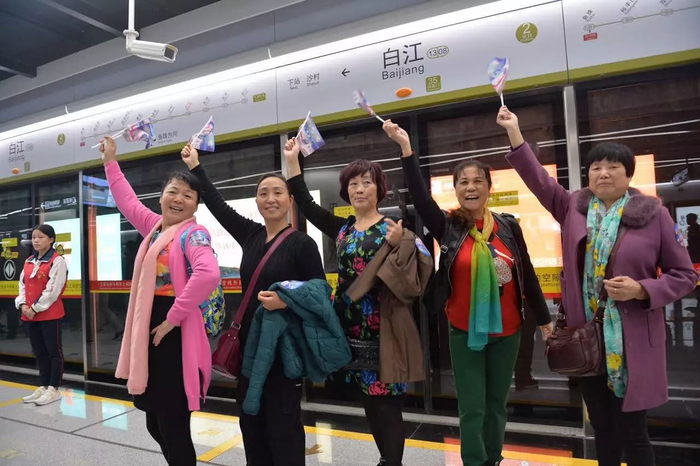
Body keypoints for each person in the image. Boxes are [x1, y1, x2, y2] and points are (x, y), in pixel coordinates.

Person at [497, 106, 698, 466]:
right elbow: (538, 180)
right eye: (596, 167)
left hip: (632, 341)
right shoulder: (572, 207)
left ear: (628, 174)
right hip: (586, 338)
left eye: (613, 167)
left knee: (633, 433)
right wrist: (514, 132)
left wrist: (642, 289)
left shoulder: (653, 215)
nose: (603, 173)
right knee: (602, 429)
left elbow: (685, 275)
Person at [382, 120, 553, 466]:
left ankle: (494, 458)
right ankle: (475, 461)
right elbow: (420, 198)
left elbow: (527, 275)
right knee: (472, 407)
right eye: (463, 182)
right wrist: (406, 150)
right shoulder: (449, 227)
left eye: (477, 181)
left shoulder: (508, 227)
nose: (471, 187)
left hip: (508, 332)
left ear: (489, 187)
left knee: (496, 405)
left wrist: (545, 320)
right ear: (456, 189)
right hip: (464, 331)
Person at [181, 143, 325, 466]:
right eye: (263, 193)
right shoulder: (251, 235)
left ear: (290, 201)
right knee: (252, 428)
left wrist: (286, 300)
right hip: (249, 352)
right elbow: (217, 205)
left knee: (284, 431)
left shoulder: (302, 244)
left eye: (278, 192)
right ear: (257, 202)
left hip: (285, 354)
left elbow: (320, 293)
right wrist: (195, 166)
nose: (270, 198)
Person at [284, 137, 419, 466]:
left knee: (387, 403)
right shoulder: (343, 228)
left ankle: (393, 463)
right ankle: (386, 460)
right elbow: (305, 203)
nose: (359, 189)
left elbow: (412, 278)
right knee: (369, 401)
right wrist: (292, 160)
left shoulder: (392, 228)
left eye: (367, 182)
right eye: (353, 183)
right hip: (351, 329)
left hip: (385, 329)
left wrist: (401, 244)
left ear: (379, 189)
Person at [101, 136, 221, 466]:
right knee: (154, 421)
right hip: (152, 333)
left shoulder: (193, 234)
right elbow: (126, 200)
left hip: (174, 336)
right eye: (173, 191)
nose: (179, 199)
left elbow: (208, 273)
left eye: (188, 195)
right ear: (161, 196)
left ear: (196, 205)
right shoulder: (154, 228)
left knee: (172, 423)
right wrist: (110, 161)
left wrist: (172, 318)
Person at [15, 224, 68, 406]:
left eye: (41, 237)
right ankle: (44, 386)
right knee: (39, 352)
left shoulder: (57, 261)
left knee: (54, 352)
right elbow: (22, 285)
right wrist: (22, 304)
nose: (36, 240)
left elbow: (52, 290)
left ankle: (54, 389)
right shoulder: (29, 261)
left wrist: (35, 308)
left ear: (51, 240)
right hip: (30, 314)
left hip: (49, 314)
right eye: (34, 237)